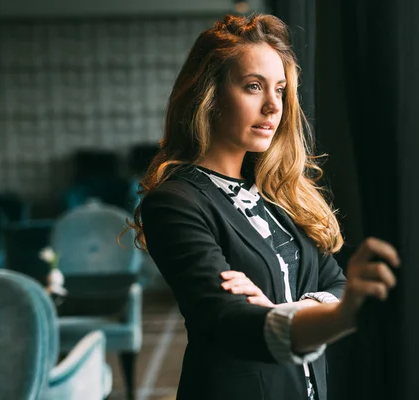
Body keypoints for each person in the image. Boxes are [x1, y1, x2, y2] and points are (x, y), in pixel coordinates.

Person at [129, 13, 400, 400]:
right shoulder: (174, 203)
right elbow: (230, 320)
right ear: (210, 95)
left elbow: (335, 281)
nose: (273, 106)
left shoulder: (277, 193)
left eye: (280, 89)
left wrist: (278, 307)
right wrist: (336, 314)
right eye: (253, 87)